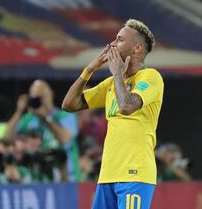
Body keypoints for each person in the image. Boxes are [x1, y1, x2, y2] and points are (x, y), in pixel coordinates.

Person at [62, 19, 164, 209]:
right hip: (108, 174)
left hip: (135, 173)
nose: (112, 45)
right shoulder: (110, 84)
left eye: (119, 40)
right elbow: (69, 104)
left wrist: (117, 74)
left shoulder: (151, 77)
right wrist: (89, 70)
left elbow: (126, 106)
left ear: (137, 48)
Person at [4, 80, 81, 182]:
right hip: (40, 179)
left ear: (51, 94)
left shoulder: (65, 116)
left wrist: (46, 117)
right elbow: (7, 139)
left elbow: (65, 139)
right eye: (36, 97)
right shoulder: (28, 119)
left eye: (42, 96)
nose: (40, 101)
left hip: (68, 178)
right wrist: (19, 111)